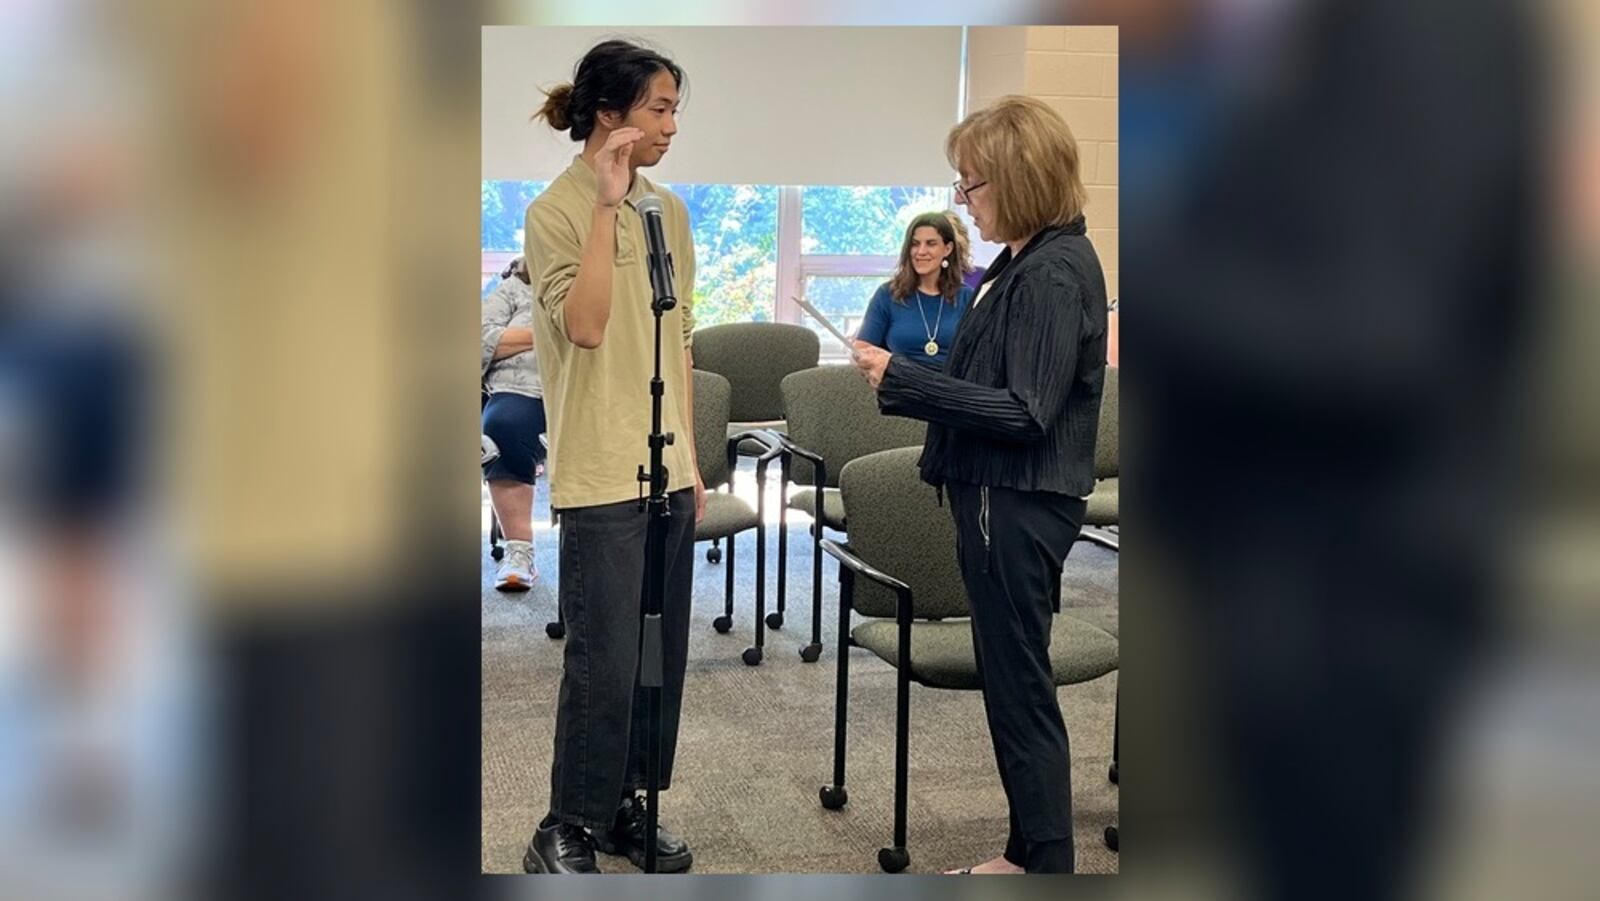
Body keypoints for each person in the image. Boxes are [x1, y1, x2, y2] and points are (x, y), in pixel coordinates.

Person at [850, 95, 1108, 875]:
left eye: (973, 185)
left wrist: (904, 379)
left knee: (1020, 688)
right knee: (1010, 680)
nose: (965, 200)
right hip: (1001, 495)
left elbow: (1025, 410)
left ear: (1018, 178)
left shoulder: (1054, 273)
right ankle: (1022, 852)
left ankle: (1047, 864)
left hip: (1019, 500)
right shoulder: (1023, 262)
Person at [519, 39, 704, 875]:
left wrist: (694, 461)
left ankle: (627, 802)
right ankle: (565, 822)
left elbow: (682, 340)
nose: (671, 125)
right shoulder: (556, 211)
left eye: (673, 109)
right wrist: (604, 205)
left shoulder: (669, 209)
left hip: (669, 466)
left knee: (659, 655)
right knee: (606, 655)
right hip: (599, 469)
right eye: (659, 108)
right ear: (609, 116)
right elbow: (586, 326)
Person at [481, 257, 547, 591]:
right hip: (516, 386)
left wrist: (512, 339)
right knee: (503, 425)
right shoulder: (513, 288)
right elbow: (479, 339)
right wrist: (545, 334)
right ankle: (519, 551)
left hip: (581, 390)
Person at [855, 212, 975, 370]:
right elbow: (862, 349)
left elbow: (981, 356)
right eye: (915, 244)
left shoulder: (968, 297)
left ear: (947, 249)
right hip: (900, 388)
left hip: (952, 390)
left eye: (931, 243)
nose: (921, 251)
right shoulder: (887, 295)